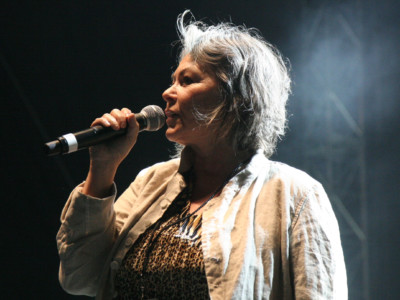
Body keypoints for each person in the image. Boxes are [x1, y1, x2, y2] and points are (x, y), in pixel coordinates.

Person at [56, 10, 347, 300]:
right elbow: (80, 277)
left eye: (187, 81)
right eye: (173, 80)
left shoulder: (295, 195)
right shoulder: (152, 182)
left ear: (237, 98)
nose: (168, 93)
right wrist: (103, 168)